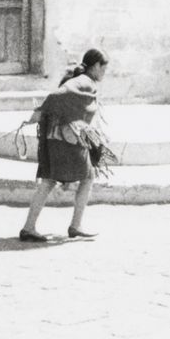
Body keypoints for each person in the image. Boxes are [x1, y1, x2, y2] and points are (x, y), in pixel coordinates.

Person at [19, 48, 111, 243]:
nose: (104, 73)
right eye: (103, 69)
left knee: (51, 181)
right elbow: (56, 96)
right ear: (95, 66)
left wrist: (37, 115)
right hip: (65, 141)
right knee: (87, 177)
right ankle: (74, 226)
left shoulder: (81, 81)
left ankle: (30, 227)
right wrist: (37, 114)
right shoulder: (84, 82)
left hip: (59, 138)